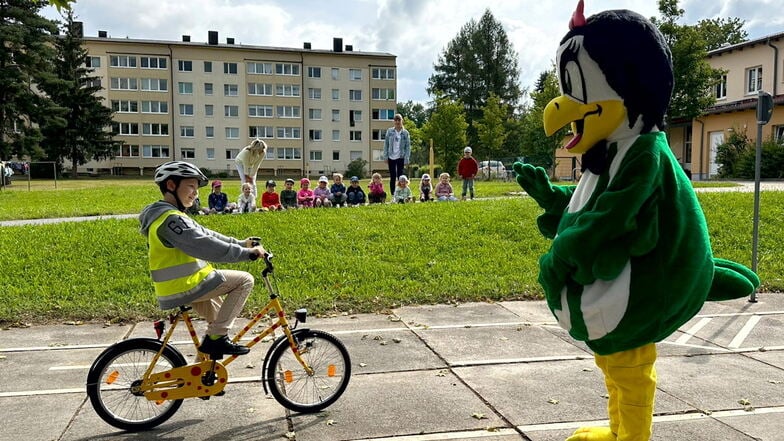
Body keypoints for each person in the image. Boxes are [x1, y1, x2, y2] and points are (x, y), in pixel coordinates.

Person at [139, 161, 266, 357]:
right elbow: (206, 246)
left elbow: (207, 234)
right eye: (190, 186)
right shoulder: (171, 220)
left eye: (196, 188)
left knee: (215, 324)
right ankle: (217, 340)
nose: (195, 193)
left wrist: (241, 243)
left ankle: (203, 378)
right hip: (184, 286)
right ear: (171, 185)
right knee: (245, 281)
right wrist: (245, 254)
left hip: (184, 284)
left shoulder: (170, 214)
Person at [382, 114, 411, 191]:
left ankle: (401, 192)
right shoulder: (390, 131)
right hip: (391, 156)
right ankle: (392, 194)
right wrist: (385, 156)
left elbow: (408, 147)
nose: (397, 122)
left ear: (402, 121)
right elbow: (386, 144)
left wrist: (406, 158)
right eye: (396, 120)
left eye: (399, 120)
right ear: (394, 121)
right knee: (392, 176)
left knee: (400, 176)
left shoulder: (405, 133)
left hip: (400, 156)